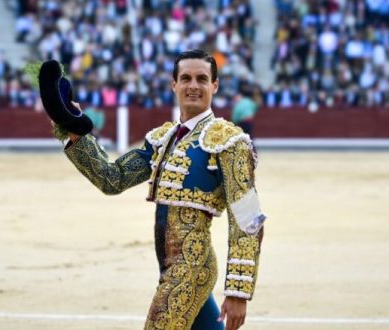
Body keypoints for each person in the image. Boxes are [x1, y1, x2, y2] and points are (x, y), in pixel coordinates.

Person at [60, 49, 265, 330]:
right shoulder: (162, 139)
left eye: (202, 79)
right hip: (169, 266)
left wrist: (238, 290)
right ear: (174, 84)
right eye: (186, 78)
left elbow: (248, 218)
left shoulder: (229, 142)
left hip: (191, 268)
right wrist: (75, 132)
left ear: (214, 86)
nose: (193, 86)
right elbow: (113, 178)